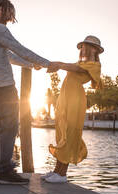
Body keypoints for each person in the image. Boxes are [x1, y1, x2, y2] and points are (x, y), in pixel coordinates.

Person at [0, 0, 59, 185]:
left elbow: (8, 55)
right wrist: (47, 63)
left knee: (0, 128)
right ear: (0, 9)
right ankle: (5, 171)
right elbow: (19, 48)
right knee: (10, 127)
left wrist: (30, 65)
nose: (9, 19)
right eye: (8, 14)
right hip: (5, 87)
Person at [42, 35, 103, 183]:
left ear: (95, 50)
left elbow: (75, 68)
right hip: (65, 99)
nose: (83, 48)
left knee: (70, 134)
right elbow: (72, 66)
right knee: (62, 134)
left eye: (86, 46)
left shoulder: (94, 64)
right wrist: (48, 64)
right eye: (82, 46)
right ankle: (57, 170)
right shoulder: (79, 62)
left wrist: (58, 64)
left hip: (75, 101)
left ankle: (62, 174)